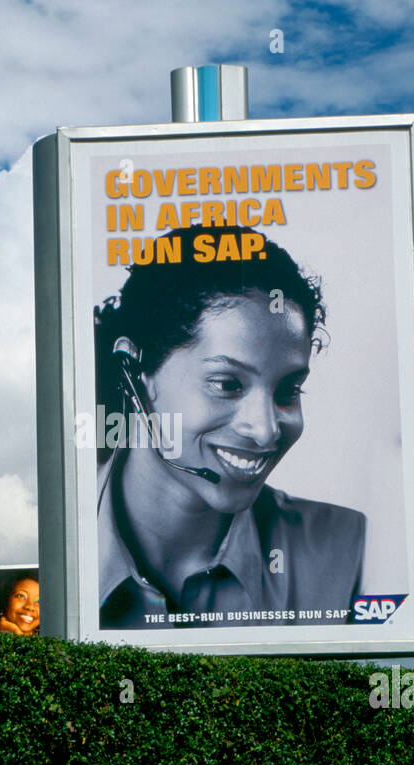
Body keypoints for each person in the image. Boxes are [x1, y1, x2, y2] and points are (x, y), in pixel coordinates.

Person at [94, 224, 365, 629]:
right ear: (134, 371)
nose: (266, 430)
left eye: (288, 389)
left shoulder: (347, 547)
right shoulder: (52, 537)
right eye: (227, 384)